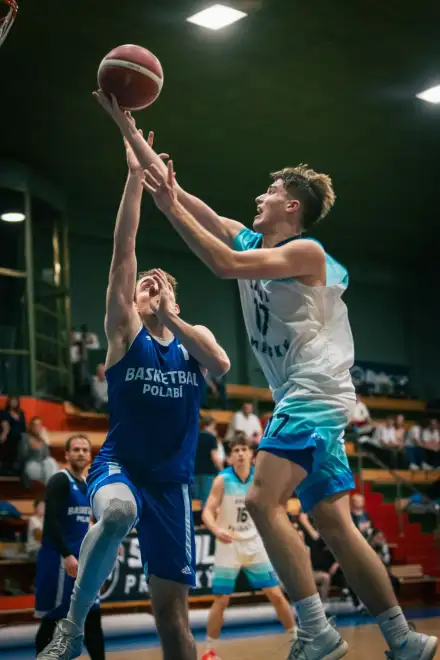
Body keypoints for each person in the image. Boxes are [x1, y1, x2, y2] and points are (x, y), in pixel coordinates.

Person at [95, 97, 438, 659]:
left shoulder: (307, 253)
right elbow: (178, 192)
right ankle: (404, 639)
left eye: (270, 191)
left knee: (259, 500)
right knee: (333, 522)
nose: (260, 197)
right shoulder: (249, 237)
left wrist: (170, 207)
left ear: (292, 205)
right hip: (307, 394)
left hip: (312, 390)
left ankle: (316, 631)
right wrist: (128, 131)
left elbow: (223, 263)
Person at [37, 122, 230, 660]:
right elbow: (124, 251)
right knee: (119, 512)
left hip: (171, 485)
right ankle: (73, 628)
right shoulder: (125, 334)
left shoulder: (193, 341)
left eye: (160, 285)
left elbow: (220, 363)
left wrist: (173, 317)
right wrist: (133, 179)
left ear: (175, 301)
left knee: (173, 618)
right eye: (145, 285)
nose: (149, 285)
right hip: (120, 466)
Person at [201, 435, 295, 660]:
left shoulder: (260, 479)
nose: (240, 454)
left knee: (276, 594)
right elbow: (207, 511)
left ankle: (298, 640)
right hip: (228, 544)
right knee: (222, 600)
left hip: (255, 543)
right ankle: (208, 652)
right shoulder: (222, 480)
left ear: (252, 455)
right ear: (230, 457)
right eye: (236, 451)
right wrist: (216, 529)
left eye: (244, 449)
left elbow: (274, 507)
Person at [35, 434, 105, 659]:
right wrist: (66, 554)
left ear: (90, 456)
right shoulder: (60, 480)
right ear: (66, 454)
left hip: (81, 562)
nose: (81, 453)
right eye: (76, 449)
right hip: (60, 561)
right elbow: (51, 521)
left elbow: (90, 522)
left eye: (85, 450)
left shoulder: (87, 485)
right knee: (55, 618)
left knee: (92, 616)